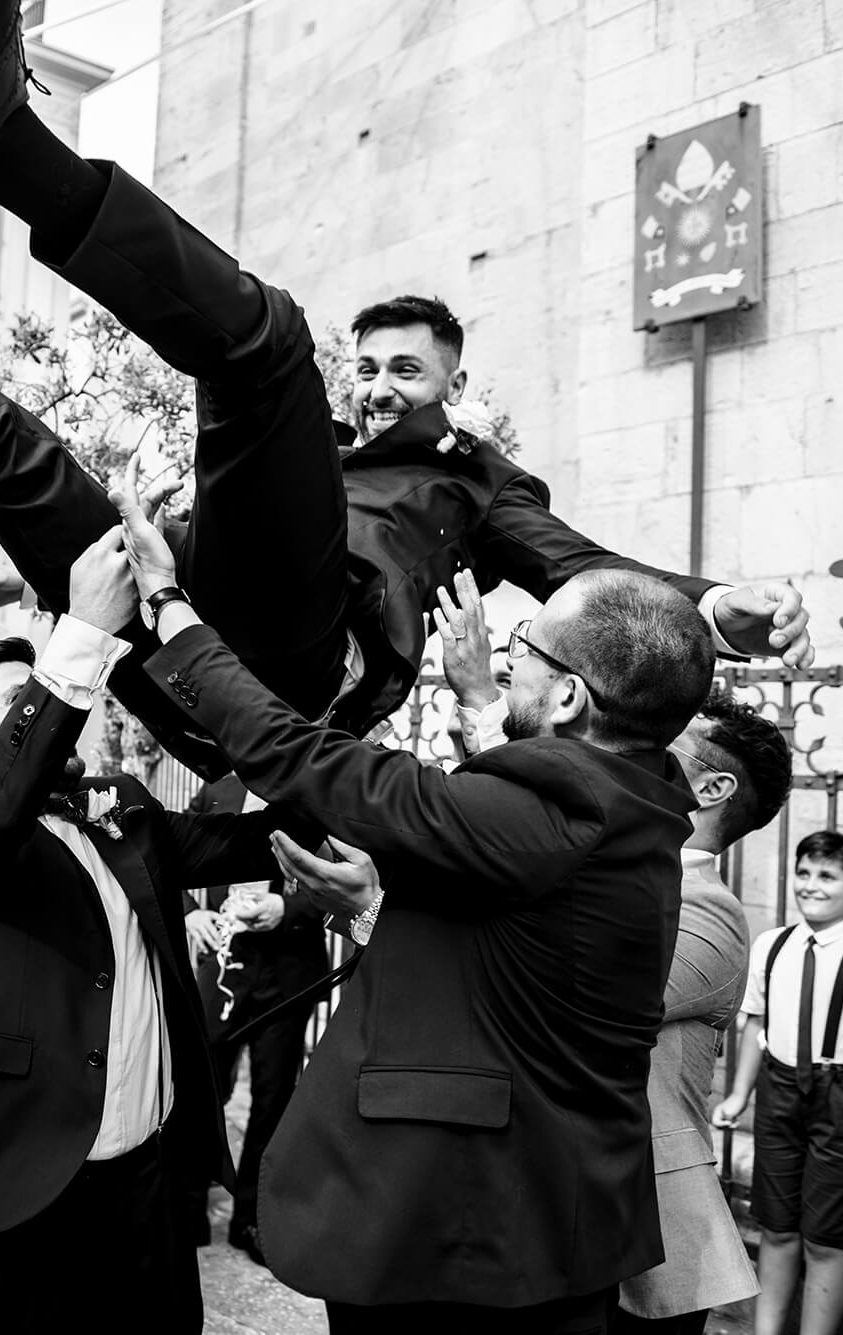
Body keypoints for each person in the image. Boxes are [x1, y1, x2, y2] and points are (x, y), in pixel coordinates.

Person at [0, 10, 812, 780]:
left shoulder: (472, 484)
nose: (371, 387)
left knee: (263, 354)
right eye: (366, 368)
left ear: (455, 387)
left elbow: (572, 567)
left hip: (292, 657)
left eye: (402, 372)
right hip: (166, 613)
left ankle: (0, 146)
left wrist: (707, 604)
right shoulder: (303, 457)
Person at [120, 440, 717, 1333]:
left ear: (566, 702)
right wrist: (372, 907)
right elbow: (511, 953)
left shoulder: (558, 809)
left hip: (464, 1239)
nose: (507, 658)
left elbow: (303, 755)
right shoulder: (631, 806)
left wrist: (169, 608)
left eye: (528, 648)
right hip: (541, 1228)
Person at [0, 535, 309, 1333]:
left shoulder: (118, 803)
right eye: (25, 697)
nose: (56, 707)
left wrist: (322, 746)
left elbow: (250, 840)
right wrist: (78, 630)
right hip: (12, 1182)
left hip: (146, 1184)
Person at [612, 690, 791, 1333]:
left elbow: (581, 1000)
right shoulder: (615, 870)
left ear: (711, 788)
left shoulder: (709, 910)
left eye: (663, 748)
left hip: (648, 1231)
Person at [710, 832, 843, 1335]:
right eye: (804, 873)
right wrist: (740, 1094)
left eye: (826, 876)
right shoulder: (772, 945)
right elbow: (755, 1024)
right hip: (781, 1090)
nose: (809, 885)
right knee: (778, 1227)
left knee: (826, 1239)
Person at [181, 771, 329, 1268]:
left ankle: (250, 1218)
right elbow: (162, 851)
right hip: (224, 962)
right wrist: (187, 912)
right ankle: (187, 1208)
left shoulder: (314, 790)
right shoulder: (217, 791)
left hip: (289, 970)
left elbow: (350, 881)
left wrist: (287, 906)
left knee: (272, 1097)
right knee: (201, 1088)